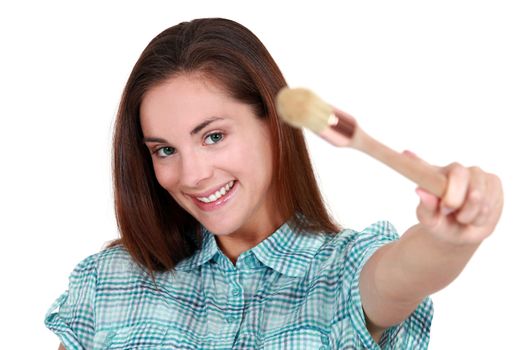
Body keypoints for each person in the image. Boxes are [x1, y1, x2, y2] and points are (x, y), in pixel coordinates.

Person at [45, 18, 503, 349]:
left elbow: (403, 274)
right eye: (165, 149)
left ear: (274, 123)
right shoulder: (109, 281)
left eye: (214, 136)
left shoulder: (342, 272)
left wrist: (452, 238)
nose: (192, 175)